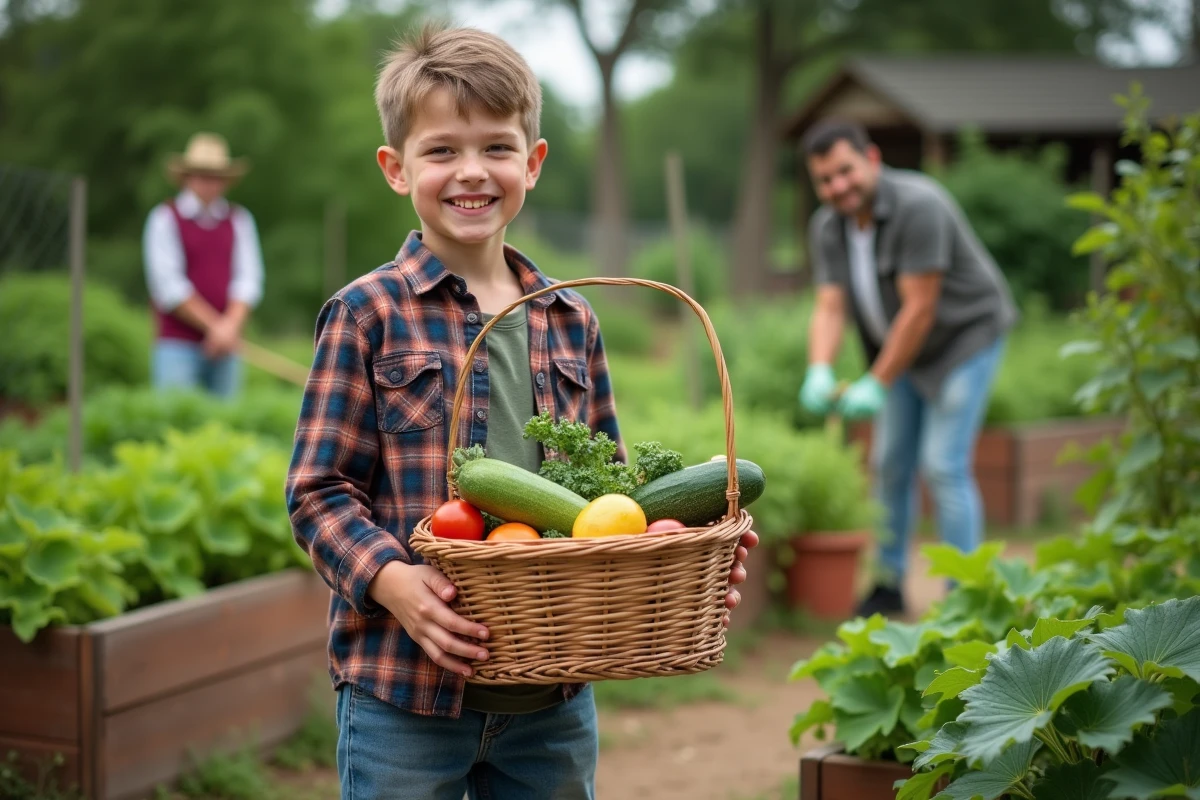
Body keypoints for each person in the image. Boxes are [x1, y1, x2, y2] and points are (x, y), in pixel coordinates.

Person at [284, 24, 757, 800]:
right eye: (441, 151)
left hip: (553, 700)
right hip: (404, 690)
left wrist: (680, 548)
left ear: (532, 163)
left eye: (497, 148)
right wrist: (394, 581)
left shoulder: (573, 319)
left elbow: (615, 500)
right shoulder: (367, 313)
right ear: (396, 169)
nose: (471, 171)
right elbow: (317, 492)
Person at [797, 119, 1017, 618]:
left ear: (871, 159)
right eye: (825, 180)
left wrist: (877, 380)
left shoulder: (920, 206)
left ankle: (968, 596)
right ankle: (889, 582)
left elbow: (920, 309)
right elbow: (830, 307)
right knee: (889, 464)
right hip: (898, 356)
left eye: (845, 172)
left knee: (943, 463)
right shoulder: (827, 227)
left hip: (964, 340)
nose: (838, 187)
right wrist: (819, 369)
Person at [142, 131, 264, 398]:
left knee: (224, 427)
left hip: (226, 346)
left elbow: (248, 280)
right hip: (177, 344)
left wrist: (229, 327)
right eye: (203, 175)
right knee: (176, 421)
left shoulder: (240, 220)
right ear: (187, 177)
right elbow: (169, 287)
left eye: (216, 176)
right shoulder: (164, 218)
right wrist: (216, 328)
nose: (210, 183)